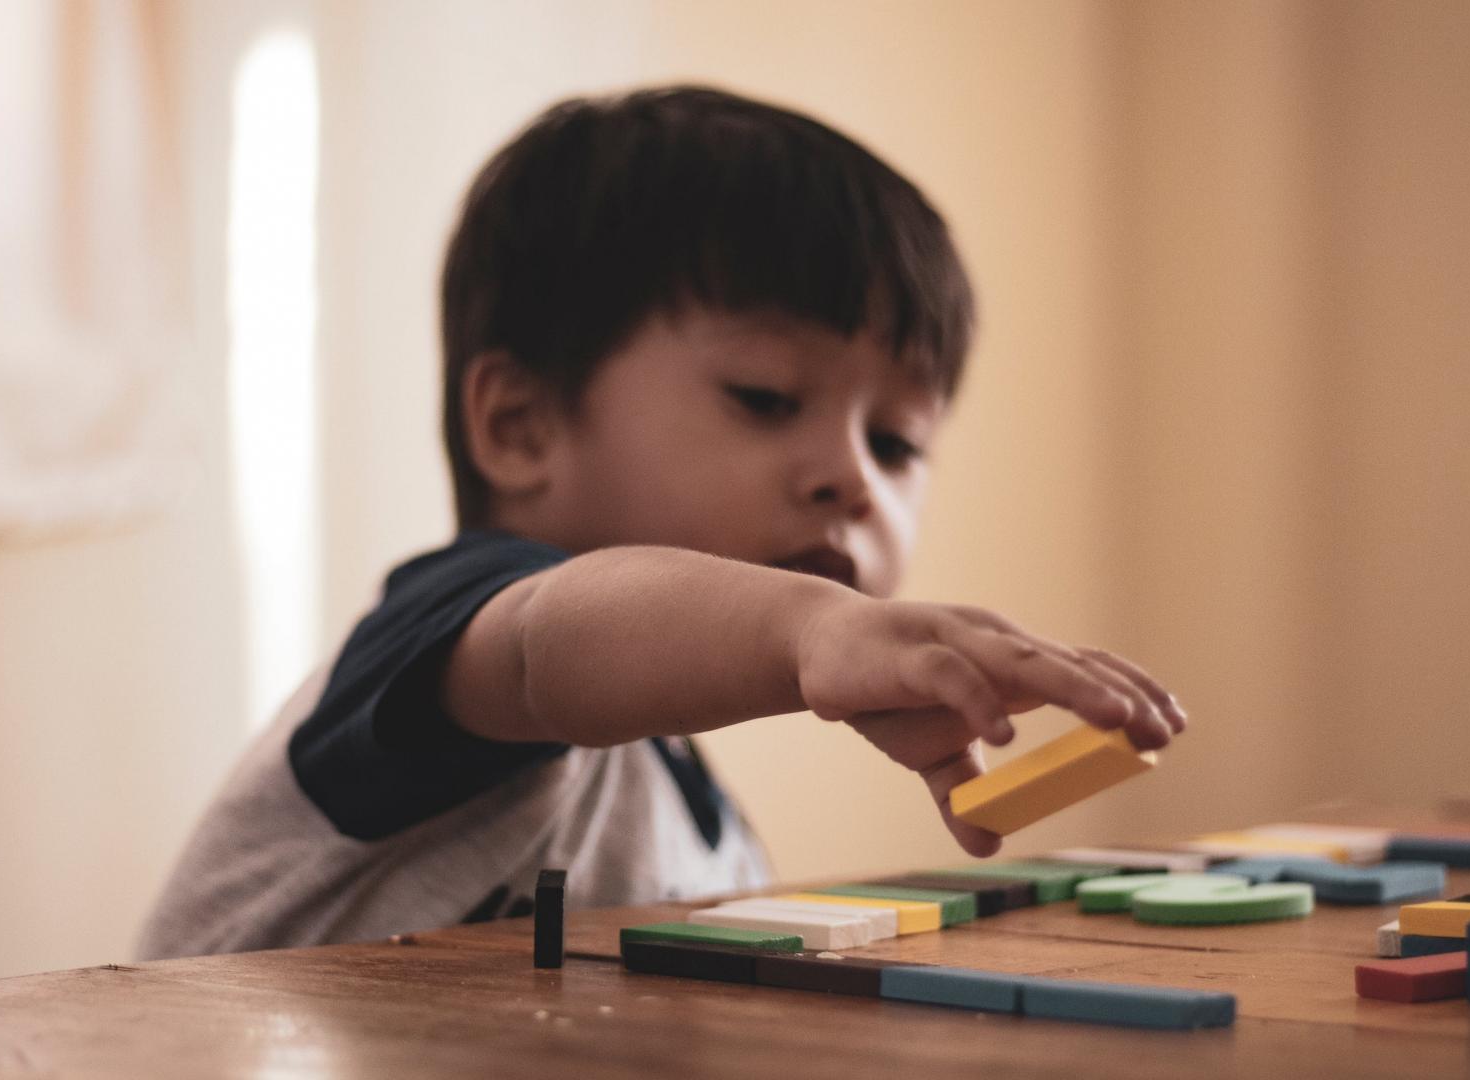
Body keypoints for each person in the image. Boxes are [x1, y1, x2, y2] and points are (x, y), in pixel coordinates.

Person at [137, 85, 1185, 959]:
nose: (853, 479)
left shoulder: (708, 834)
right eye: (769, 399)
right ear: (522, 425)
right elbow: (555, 646)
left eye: (898, 442)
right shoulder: (463, 644)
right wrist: (805, 628)